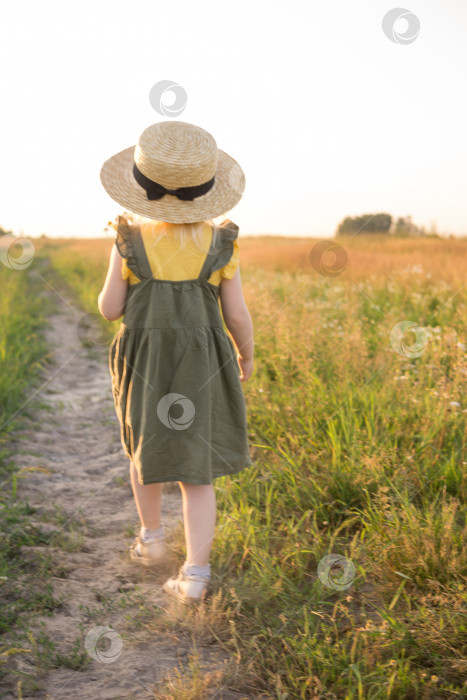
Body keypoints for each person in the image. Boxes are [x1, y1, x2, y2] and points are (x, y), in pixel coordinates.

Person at [98, 120, 254, 604]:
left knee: (144, 450)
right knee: (196, 469)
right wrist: (246, 353)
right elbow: (236, 314)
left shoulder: (129, 240)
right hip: (202, 364)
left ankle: (152, 541)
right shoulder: (220, 243)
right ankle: (196, 575)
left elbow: (109, 308)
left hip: (144, 360)